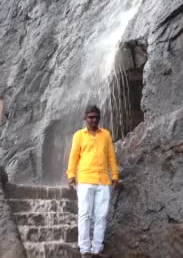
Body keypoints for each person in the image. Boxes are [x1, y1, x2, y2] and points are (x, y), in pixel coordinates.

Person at [66, 105, 119, 258]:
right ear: (85, 118)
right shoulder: (79, 135)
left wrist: (114, 175)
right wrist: (71, 174)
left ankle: (97, 248)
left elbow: (111, 156)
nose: (93, 119)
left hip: (103, 180)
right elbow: (73, 156)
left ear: (99, 118)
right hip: (85, 179)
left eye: (96, 117)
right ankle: (84, 249)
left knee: (101, 215)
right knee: (84, 214)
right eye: (90, 117)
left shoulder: (106, 135)